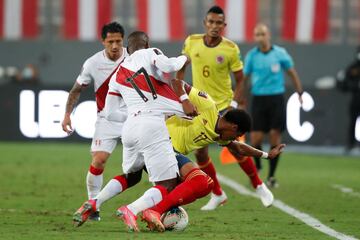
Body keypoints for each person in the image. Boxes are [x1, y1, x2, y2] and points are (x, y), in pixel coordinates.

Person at [73, 81, 285, 232]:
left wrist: (266, 154)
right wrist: (183, 101)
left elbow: (238, 148)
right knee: (202, 182)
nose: (233, 138)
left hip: (145, 138)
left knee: (134, 177)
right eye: (236, 133)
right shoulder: (207, 106)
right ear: (233, 126)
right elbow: (178, 82)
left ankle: (94, 202)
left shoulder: (220, 134)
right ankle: (145, 211)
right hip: (161, 142)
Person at [176, 5, 246, 210]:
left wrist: (234, 103)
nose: (215, 26)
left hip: (223, 105)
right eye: (211, 22)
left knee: (232, 146)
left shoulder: (231, 48)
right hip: (201, 106)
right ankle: (217, 193)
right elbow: (180, 70)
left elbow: (241, 79)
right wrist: (181, 96)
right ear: (205, 23)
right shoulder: (191, 42)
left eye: (219, 23)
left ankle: (258, 185)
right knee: (200, 153)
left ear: (224, 26)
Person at [61, 22, 128, 220]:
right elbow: (76, 90)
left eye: (118, 41)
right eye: (110, 42)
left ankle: (163, 203)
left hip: (133, 117)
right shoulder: (92, 63)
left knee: (148, 164)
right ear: (103, 41)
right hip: (106, 119)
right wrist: (67, 115)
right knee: (98, 160)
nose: (115, 46)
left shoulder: (133, 57)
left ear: (123, 40)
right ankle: (93, 206)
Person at [243, 23, 303, 188]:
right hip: (259, 99)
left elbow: (292, 73)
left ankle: (271, 176)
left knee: (275, 136)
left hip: (276, 99)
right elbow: (244, 78)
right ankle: (259, 164)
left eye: (263, 34)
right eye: (257, 34)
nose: (260, 37)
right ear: (255, 37)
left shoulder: (280, 53)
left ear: (268, 35)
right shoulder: (251, 56)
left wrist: (299, 93)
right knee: (255, 138)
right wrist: (239, 98)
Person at [336, 46, 360, 152]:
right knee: (352, 122)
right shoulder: (353, 67)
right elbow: (343, 84)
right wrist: (355, 86)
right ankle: (350, 144)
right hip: (356, 99)